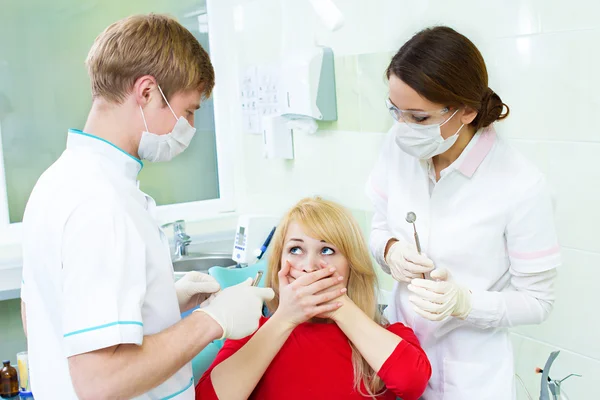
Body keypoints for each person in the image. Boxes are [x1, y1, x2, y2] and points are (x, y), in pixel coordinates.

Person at [20, 14, 273, 400]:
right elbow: (101, 381)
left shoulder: (58, 181)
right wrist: (211, 321)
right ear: (147, 92)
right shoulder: (101, 203)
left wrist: (163, 302)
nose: (187, 125)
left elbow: (45, 314)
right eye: (188, 111)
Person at [366, 26, 561, 399]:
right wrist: (389, 249)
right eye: (395, 112)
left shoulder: (520, 184)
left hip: (472, 378)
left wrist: (466, 303)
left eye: (419, 118)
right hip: (400, 358)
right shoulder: (397, 146)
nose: (402, 128)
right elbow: (377, 224)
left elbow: (538, 301)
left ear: (467, 111)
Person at [196, 197, 431, 400]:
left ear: (351, 265)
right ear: (279, 264)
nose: (309, 267)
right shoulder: (251, 333)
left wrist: (338, 306)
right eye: (296, 250)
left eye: (327, 250)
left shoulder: (387, 334)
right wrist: (285, 318)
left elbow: (412, 382)